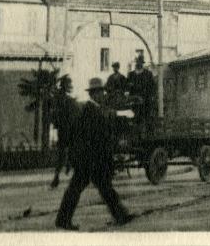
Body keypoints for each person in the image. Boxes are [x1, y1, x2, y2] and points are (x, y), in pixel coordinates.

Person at [55, 77, 135, 230]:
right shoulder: (91, 111)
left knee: (90, 189)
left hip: (88, 159)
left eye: (101, 92)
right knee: (100, 188)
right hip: (90, 159)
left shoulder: (92, 109)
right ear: (93, 94)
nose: (102, 95)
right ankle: (120, 216)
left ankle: (63, 219)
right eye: (98, 92)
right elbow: (97, 138)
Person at [127, 55, 156, 130]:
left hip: (146, 100)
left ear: (142, 63)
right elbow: (127, 88)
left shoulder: (148, 74)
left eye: (140, 62)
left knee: (146, 119)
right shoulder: (131, 75)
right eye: (137, 62)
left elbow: (153, 87)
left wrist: (151, 97)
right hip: (134, 101)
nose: (139, 64)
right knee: (135, 119)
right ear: (136, 63)